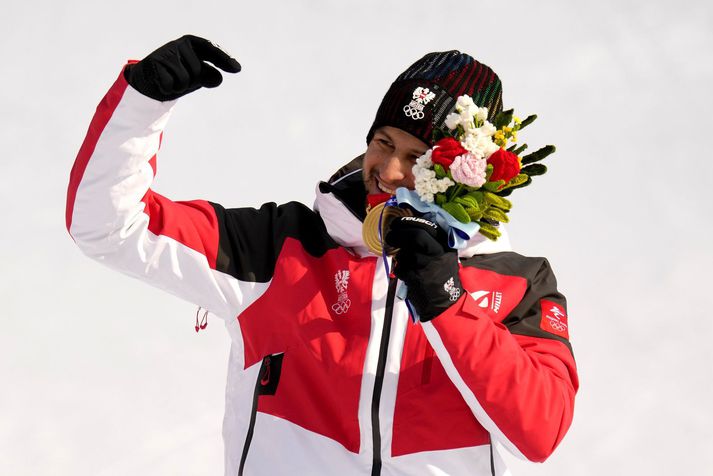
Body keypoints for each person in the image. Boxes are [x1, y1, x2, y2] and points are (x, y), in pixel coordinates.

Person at [66, 35, 578, 476]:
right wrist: (141, 106)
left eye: (418, 156)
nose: (390, 170)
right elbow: (108, 226)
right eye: (383, 142)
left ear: (468, 171)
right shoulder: (283, 246)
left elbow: (540, 430)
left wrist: (445, 302)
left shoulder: (516, 282)